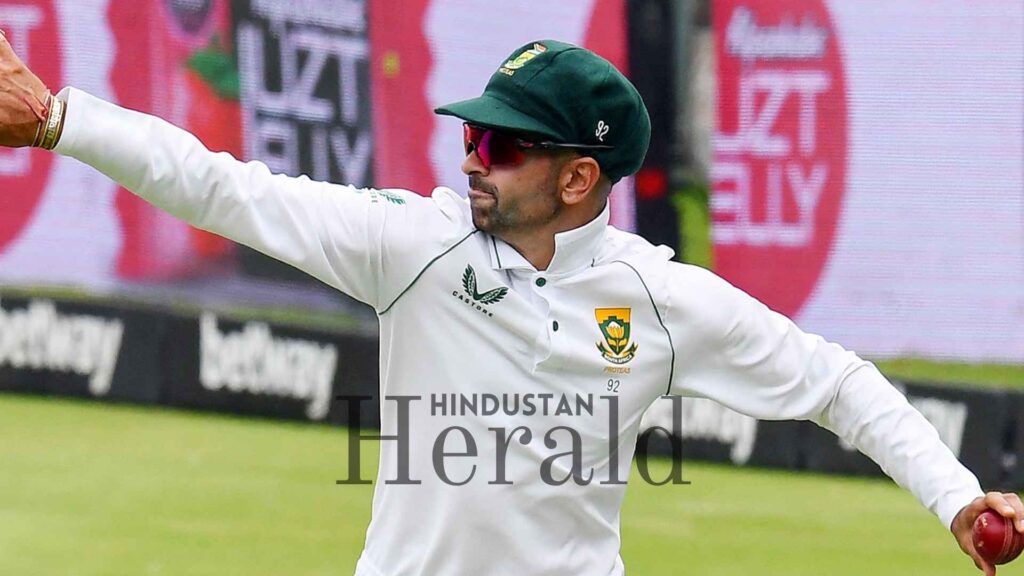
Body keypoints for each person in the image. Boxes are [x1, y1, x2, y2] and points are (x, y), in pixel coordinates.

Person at [0, 31, 1019, 576]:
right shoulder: (413, 245)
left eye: (500, 144)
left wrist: (958, 499)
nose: (470, 158)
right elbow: (221, 188)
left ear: (578, 178)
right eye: (470, 135)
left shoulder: (661, 300)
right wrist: (56, 119)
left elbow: (838, 384)